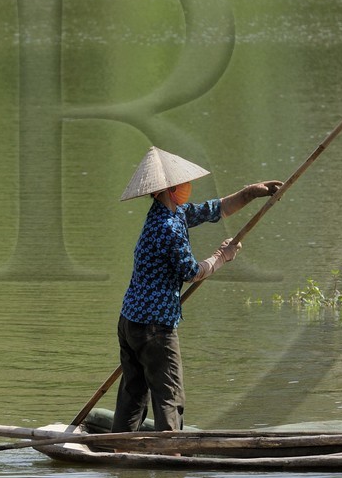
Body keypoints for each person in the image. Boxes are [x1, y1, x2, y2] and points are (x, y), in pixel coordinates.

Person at [112, 147, 282, 433]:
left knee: (133, 393)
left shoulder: (169, 213)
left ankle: (119, 449)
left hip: (130, 321)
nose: (189, 188)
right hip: (154, 327)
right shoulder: (168, 226)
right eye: (184, 185)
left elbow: (215, 209)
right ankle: (171, 457)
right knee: (169, 395)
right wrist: (222, 256)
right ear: (170, 189)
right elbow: (191, 272)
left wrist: (251, 193)